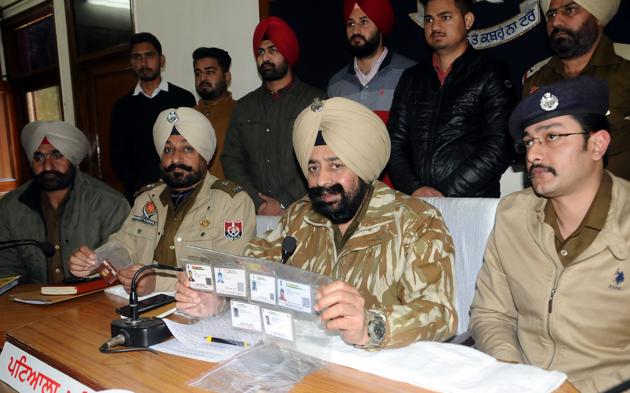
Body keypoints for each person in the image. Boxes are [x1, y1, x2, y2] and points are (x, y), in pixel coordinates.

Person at [177, 97, 457, 349]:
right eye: (313, 167)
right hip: (301, 360)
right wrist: (219, 300)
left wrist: (370, 326)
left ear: (361, 165)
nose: (322, 181)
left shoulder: (416, 222)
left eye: (336, 166)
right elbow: (254, 273)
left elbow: (440, 314)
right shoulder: (301, 216)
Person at [469, 76, 630, 393]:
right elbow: (491, 314)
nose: (533, 156)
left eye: (552, 136)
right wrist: (512, 374)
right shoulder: (513, 215)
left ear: (597, 144)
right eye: (529, 142)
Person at [69, 107, 256, 295]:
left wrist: (155, 283)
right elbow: (125, 246)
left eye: (187, 149)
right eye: (168, 150)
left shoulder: (231, 202)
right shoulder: (147, 199)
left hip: (199, 309)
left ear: (204, 155)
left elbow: (232, 274)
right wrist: (94, 262)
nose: (176, 158)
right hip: (141, 306)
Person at [387, 0, 515, 198]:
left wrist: (446, 194)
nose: (435, 26)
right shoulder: (412, 77)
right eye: (429, 19)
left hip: (471, 203)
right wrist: (414, 189)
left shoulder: (490, 71)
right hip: (416, 204)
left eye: (445, 17)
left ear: (468, 20)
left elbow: (500, 143)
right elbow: (394, 143)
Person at [0, 121, 129, 284]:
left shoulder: (110, 204)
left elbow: (123, 263)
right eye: (38, 157)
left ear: (73, 158)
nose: (47, 166)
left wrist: (94, 267)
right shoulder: (10, 208)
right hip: (31, 305)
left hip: (93, 302)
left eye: (57, 155)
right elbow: (6, 271)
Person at [221, 17, 325, 216]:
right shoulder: (244, 106)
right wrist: (256, 200)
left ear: (287, 53)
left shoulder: (315, 100)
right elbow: (232, 159)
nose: (265, 58)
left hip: (306, 211)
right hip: (254, 212)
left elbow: (322, 158)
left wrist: (285, 202)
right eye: (260, 52)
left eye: (273, 50)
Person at [523, 0, 630, 180]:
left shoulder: (625, 72)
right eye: (551, 14)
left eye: (570, 10)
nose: (556, 22)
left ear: (597, 18)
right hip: (549, 202)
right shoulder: (536, 80)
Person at [110, 32, 196, 201]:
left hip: (181, 190)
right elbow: (118, 157)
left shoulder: (183, 98)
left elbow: (193, 146)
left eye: (149, 55)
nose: (143, 62)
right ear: (132, 63)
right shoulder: (122, 107)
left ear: (161, 60)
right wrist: (140, 187)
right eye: (137, 57)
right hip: (139, 195)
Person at [327, 0, 415, 123]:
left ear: (380, 26)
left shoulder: (410, 74)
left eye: (364, 22)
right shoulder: (335, 85)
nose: (356, 31)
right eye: (351, 24)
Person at [192, 47, 235, 179]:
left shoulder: (241, 113)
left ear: (226, 77)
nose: (202, 78)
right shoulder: (188, 116)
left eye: (210, 72)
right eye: (198, 73)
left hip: (231, 195)